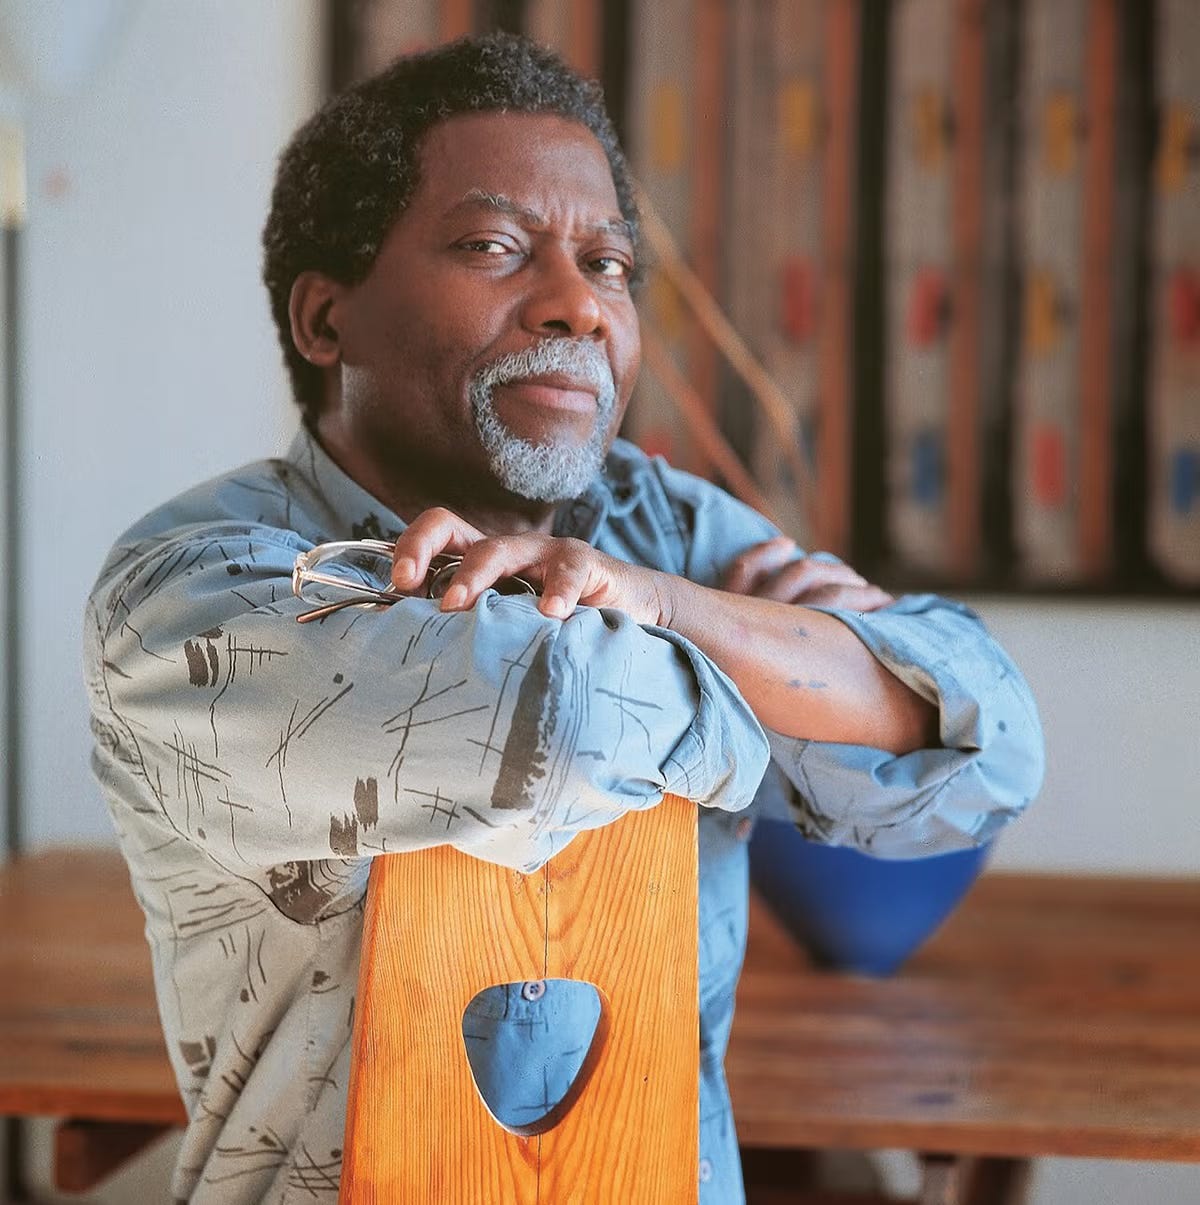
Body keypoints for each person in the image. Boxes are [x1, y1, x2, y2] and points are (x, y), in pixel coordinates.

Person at [83, 32, 1044, 1204]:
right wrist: (786, 685)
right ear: (326, 320)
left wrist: (665, 601)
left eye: (608, 263)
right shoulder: (191, 587)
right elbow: (563, 727)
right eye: (495, 247)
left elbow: (991, 740)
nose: (577, 305)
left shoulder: (661, 531)